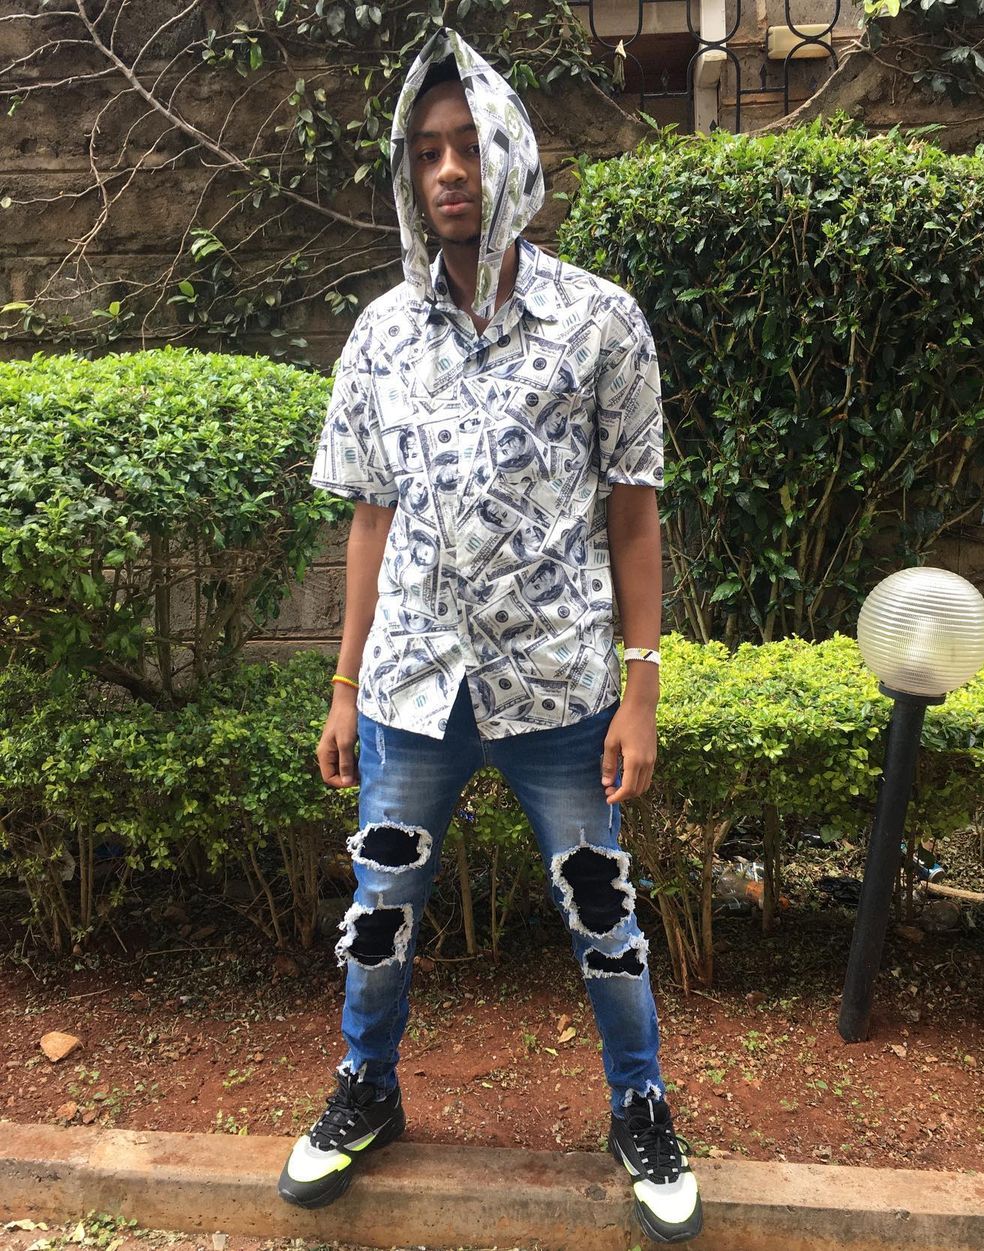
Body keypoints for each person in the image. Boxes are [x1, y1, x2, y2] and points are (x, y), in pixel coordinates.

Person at [276, 28, 702, 1245]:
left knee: (601, 909)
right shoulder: (381, 334)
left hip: (558, 687)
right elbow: (369, 517)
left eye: (468, 146)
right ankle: (368, 1088)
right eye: (427, 152)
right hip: (412, 689)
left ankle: (641, 1106)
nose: (450, 170)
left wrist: (641, 691)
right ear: (408, 174)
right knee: (382, 910)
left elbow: (633, 515)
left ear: (510, 153)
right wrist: (344, 684)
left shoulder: (600, 322)